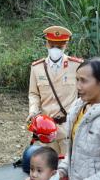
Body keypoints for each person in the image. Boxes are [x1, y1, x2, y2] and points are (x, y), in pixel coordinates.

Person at [27, 26, 83, 155]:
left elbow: (83, 93)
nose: (55, 49)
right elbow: (34, 93)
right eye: (52, 45)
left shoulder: (76, 66)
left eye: (59, 46)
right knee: (48, 167)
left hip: (68, 128)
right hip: (46, 130)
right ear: (46, 44)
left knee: (69, 168)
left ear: (66, 45)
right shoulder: (37, 68)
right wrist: (33, 110)